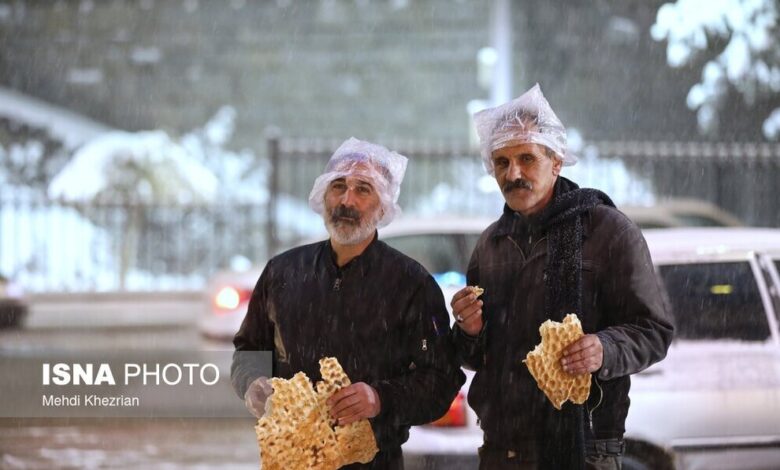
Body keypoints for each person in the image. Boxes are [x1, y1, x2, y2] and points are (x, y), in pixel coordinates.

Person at [450, 84, 674, 470]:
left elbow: (654, 330)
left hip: (585, 446)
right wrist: (468, 331)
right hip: (502, 447)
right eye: (501, 162)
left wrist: (603, 349)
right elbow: (475, 357)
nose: (513, 173)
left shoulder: (608, 231)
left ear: (556, 161)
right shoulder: (492, 244)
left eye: (526, 158)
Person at [231, 137, 465, 469]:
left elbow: (441, 380)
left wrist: (380, 398)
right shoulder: (282, 273)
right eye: (337, 186)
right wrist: (251, 382)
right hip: (292, 459)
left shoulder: (411, 284)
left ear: (383, 207)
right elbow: (248, 349)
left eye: (363, 189)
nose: (346, 200)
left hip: (374, 461)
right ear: (322, 196)